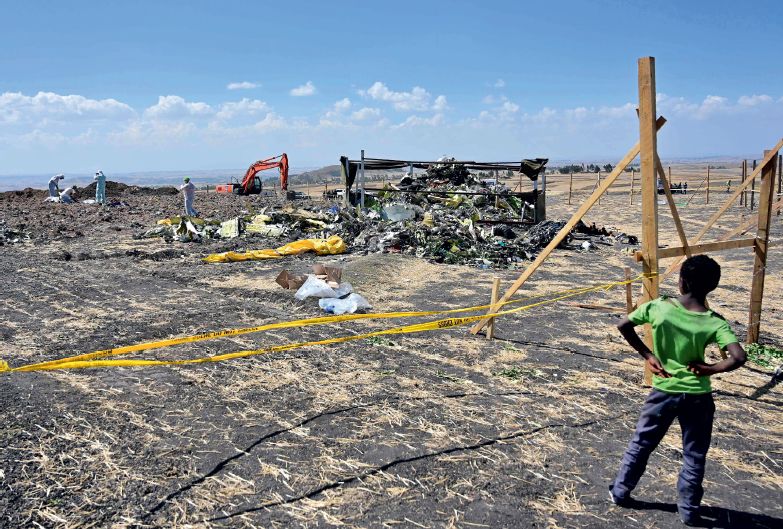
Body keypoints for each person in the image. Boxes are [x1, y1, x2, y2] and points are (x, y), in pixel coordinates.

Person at [609, 255, 746, 526]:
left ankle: (621, 491)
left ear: (681, 281)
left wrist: (647, 354)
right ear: (713, 286)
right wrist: (710, 369)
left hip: (663, 391)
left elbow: (624, 324)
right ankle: (689, 509)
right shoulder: (714, 322)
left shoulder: (659, 308)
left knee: (642, 444)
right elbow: (738, 357)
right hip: (698, 396)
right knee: (694, 453)